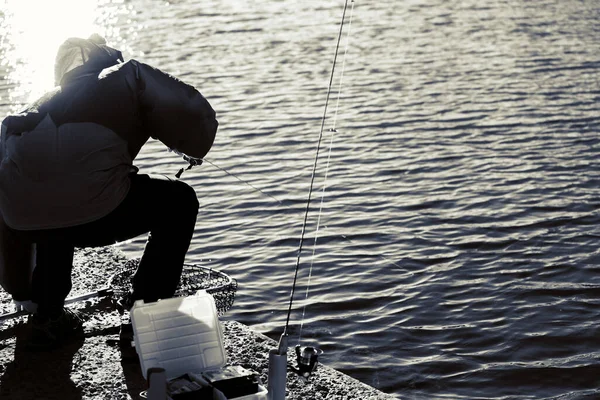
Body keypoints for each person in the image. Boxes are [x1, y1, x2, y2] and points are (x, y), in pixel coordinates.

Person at [0, 34, 218, 349]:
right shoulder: (125, 80)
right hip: (92, 214)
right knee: (180, 201)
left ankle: (47, 315)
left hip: (24, 222)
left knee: (52, 200)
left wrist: (21, 291)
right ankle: (145, 315)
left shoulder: (35, 106)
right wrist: (191, 144)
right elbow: (187, 108)